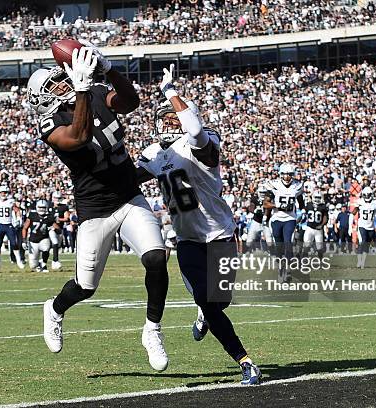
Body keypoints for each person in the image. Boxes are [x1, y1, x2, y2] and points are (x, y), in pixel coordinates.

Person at [27, 43, 169, 371]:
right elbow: (78, 136)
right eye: (54, 84)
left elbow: (130, 101)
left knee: (156, 258)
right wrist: (79, 91)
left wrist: (110, 69)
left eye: (62, 79)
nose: (63, 82)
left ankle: (152, 329)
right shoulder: (50, 125)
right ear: (42, 98)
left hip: (129, 198)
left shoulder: (93, 92)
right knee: (85, 287)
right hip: (94, 212)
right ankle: (55, 309)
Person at [136, 64, 261, 385]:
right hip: (188, 242)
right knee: (210, 304)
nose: (167, 120)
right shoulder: (154, 154)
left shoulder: (201, 144)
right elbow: (123, 182)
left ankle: (207, 314)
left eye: (172, 115)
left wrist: (171, 91)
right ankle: (245, 361)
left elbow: (194, 132)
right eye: (163, 116)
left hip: (219, 236)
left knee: (220, 302)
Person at [263, 163, 305, 282]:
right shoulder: (274, 185)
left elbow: (301, 203)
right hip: (276, 219)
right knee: (279, 246)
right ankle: (281, 268)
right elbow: (265, 204)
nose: (287, 177)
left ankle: (288, 270)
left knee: (288, 242)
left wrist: (302, 212)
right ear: (281, 174)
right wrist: (277, 205)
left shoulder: (297, 186)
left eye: (290, 174)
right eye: (285, 174)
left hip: (290, 218)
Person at [0, 186, 25, 270]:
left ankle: (19, 261)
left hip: (9, 225)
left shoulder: (11, 201)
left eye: (4, 192)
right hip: (0, 225)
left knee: (14, 243)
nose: (3, 194)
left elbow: (17, 210)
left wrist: (19, 219)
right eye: (2, 192)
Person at [352, 187, 376, 269]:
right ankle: (359, 261)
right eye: (365, 195)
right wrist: (352, 222)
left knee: (367, 245)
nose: (367, 196)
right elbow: (353, 212)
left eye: (368, 195)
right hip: (362, 226)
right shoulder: (360, 202)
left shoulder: (375, 203)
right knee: (363, 242)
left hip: (371, 227)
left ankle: (363, 263)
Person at [22, 199, 53, 273]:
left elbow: (55, 226)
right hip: (33, 240)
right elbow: (25, 228)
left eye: (43, 207)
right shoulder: (32, 215)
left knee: (46, 248)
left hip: (44, 238)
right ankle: (39, 264)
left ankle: (44, 264)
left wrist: (55, 228)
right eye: (40, 207)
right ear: (36, 207)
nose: (42, 209)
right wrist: (24, 240)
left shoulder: (49, 216)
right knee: (33, 265)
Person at [301, 192, 328, 257]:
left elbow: (325, 217)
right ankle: (304, 261)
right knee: (306, 246)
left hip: (318, 230)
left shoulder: (323, 206)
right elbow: (303, 215)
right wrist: (298, 221)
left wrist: (322, 225)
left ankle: (320, 262)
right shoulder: (308, 205)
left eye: (319, 197)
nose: (317, 199)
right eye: (316, 197)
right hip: (309, 228)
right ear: (313, 197)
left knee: (319, 248)